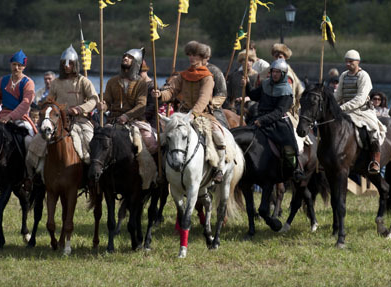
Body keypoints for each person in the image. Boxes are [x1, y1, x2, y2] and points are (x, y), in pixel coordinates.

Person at [153, 41, 227, 183]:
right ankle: (162, 170)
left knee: (218, 135)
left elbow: (203, 98)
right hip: (182, 114)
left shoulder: (208, 77)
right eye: (190, 55)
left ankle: (219, 168)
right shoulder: (183, 75)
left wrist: (193, 114)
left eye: (196, 55)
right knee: (164, 138)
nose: (192, 58)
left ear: (203, 57)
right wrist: (161, 95)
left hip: (202, 114)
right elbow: (172, 90)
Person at [31, 45, 98, 169]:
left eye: (70, 63)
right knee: (35, 145)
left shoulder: (83, 81)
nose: (67, 66)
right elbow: (49, 101)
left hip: (80, 121)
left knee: (90, 143)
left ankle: (92, 177)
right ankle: (33, 178)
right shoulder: (55, 82)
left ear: (75, 64)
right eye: (64, 63)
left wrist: (79, 109)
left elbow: (94, 99)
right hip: (58, 121)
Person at [244, 58, 303, 179]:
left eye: (277, 72)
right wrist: (247, 85)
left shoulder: (287, 91)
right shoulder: (265, 83)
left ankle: (295, 169)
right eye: (273, 72)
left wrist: (262, 120)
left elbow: (279, 112)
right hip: (260, 117)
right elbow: (253, 95)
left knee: (289, 145)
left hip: (278, 121)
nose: (274, 74)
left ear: (283, 74)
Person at [334, 50, 386, 174]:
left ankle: (375, 161)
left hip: (362, 111)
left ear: (358, 62)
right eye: (346, 61)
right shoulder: (343, 76)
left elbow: (360, 98)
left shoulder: (364, 76)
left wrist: (341, 108)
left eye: (350, 61)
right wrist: (331, 104)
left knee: (373, 130)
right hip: (345, 111)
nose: (348, 64)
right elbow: (338, 95)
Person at [103, 47, 153, 151]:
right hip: (114, 120)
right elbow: (107, 101)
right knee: (98, 142)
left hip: (135, 121)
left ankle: (153, 167)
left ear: (136, 62)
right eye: (124, 56)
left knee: (152, 144)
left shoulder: (141, 83)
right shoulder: (112, 81)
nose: (125, 58)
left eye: (130, 57)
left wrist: (127, 116)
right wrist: (102, 106)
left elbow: (141, 106)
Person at [0, 50, 37, 137]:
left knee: (29, 138)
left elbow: (25, 104)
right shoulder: (3, 80)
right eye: (14, 64)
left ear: (24, 67)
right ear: (10, 65)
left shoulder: (28, 83)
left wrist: (10, 117)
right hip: (2, 116)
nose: (16, 68)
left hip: (21, 117)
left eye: (19, 65)